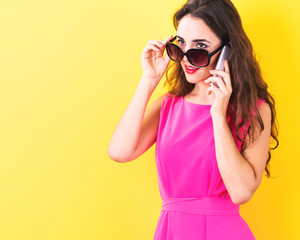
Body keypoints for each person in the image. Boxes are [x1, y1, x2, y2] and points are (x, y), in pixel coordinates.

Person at [108, 0, 279, 239]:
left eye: (199, 46)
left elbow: (241, 192)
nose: (187, 57)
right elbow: (119, 152)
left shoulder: (254, 110)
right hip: (172, 230)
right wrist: (148, 81)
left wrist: (218, 115)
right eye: (180, 45)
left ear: (227, 51)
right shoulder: (169, 106)